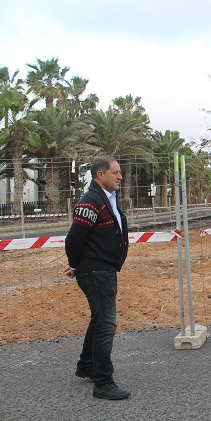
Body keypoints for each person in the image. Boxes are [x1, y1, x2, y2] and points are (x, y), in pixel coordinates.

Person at [64, 156, 131, 399]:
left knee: (99, 319)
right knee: (105, 325)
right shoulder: (91, 201)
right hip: (96, 272)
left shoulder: (106, 198)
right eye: (115, 172)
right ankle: (103, 382)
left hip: (102, 270)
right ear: (100, 175)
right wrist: (76, 265)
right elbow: (73, 239)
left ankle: (87, 365)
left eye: (119, 172)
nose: (120, 177)